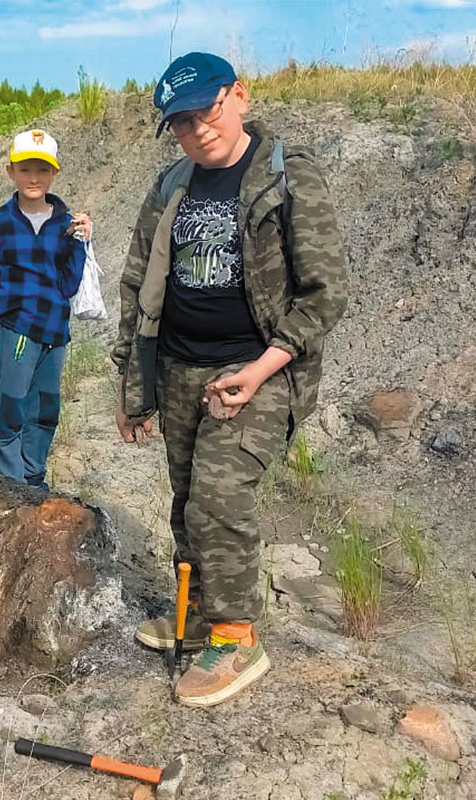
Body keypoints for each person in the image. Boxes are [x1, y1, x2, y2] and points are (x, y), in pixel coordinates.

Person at [114, 52, 347, 706]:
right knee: (187, 501)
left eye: (207, 111)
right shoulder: (171, 187)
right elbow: (137, 284)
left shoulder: (286, 179)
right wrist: (134, 387)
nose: (198, 130)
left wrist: (262, 368)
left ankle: (237, 633)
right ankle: (196, 619)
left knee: (219, 498)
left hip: (258, 371)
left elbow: (326, 295)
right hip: (179, 370)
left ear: (239, 96)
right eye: (182, 123)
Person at [0, 129, 91, 488]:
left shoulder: (65, 224)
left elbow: (69, 285)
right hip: (15, 328)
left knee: (45, 411)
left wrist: (79, 242)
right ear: (10, 171)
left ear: (54, 173)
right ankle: (10, 487)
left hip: (54, 333)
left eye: (42, 170)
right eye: (25, 169)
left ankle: (34, 479)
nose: (33, 178)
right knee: (11, 408)